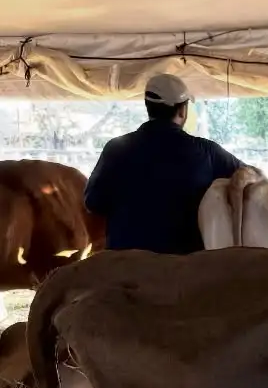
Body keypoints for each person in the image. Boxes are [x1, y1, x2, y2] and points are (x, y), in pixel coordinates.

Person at [83, 73, 245, 254]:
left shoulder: (115, 149)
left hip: (126, 271)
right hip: (184, 271)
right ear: (182, 111)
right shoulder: (208, 152)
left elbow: (93, 202)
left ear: (148, 107)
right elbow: (248, 176)